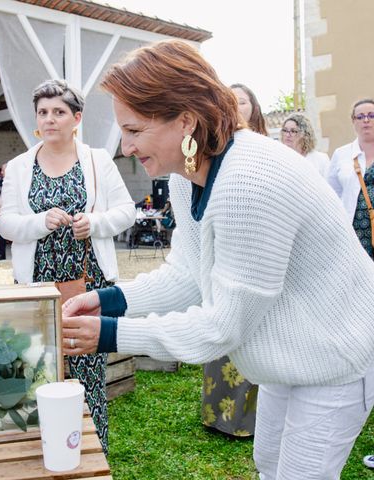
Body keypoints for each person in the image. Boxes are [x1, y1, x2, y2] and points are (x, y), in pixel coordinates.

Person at [62, 40, 374, 478]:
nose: (126, 147)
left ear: (185, 121)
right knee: (269, 465)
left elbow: (222, 327)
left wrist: (109, 334)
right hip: (289, 350)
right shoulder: (187, 176)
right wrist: (110, 301)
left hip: (338, 350)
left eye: (134, 130)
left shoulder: (248, 182)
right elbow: (188, 276)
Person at [0, 79, 136, 453]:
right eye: (43, 113)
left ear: (76, 118)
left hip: (87, 283)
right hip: (38, 285)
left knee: (89, 371)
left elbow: (126, 211)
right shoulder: (20, 167)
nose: (50, 119)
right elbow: (5, 223)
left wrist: (95, 223)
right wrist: (40, 222)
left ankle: (92, 452)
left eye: (59, 112)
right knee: (38, 370)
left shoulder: (97, 160)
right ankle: (46, 449)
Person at [199, 83, 267, 439]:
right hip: (222, 257)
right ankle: (218, 415)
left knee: (251, 337)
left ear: (253, 108)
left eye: (242, 100)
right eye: (231, 100)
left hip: (257, 261)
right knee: (222, 334)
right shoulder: (216, 152)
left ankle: (248, 421)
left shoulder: (265, 152)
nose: (236, 106)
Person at [326, 98, 374, 470]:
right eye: (361, 115)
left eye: (373, 115)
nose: (367, 121)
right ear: (352, 120)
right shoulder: (343, 155)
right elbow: (329, 199)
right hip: (352, 253)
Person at [280, 113, 330, 177]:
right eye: (285, 130)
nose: (287, 135)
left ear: (304, 134)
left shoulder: (321, 159)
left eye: (293, 131)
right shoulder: (280, 159)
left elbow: (328, 185)